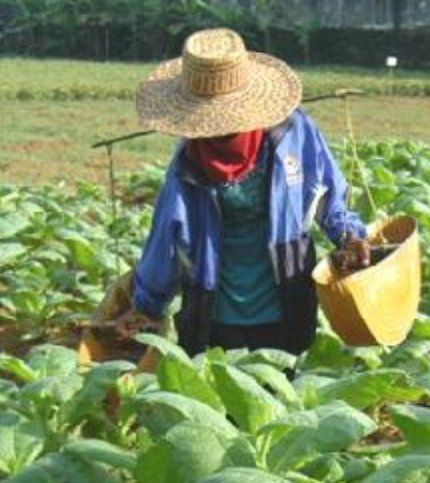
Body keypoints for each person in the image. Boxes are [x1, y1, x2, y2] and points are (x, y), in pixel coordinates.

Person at [115, 28, 370, 356]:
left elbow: (329, 199)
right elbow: (167, 238)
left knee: (284, 396)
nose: (218, 131)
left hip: (287, 300)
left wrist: (351, 238)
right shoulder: (189, 164)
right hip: (213, 312)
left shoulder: (294, 134)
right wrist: (146, 305)